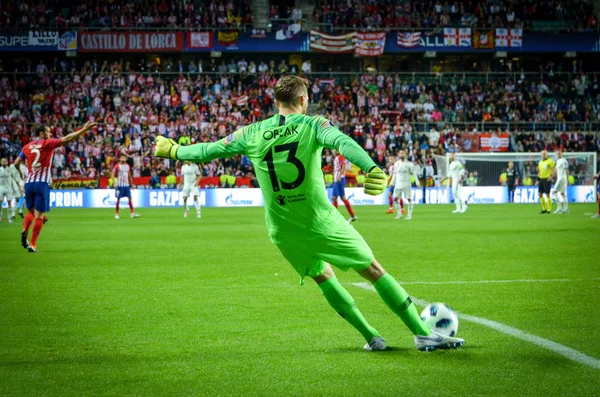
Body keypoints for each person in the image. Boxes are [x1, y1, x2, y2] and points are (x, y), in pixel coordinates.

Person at [155, 75, 464, 352]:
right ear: (303, 100)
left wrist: (173, 151)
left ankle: (371, 336)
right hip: (320, 222)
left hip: (283, 231)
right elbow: (342, 142)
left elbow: (208, 150)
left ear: (276, 103)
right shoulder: (313, 124)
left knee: (322, 277)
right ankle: (423, 333)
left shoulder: (251, 133)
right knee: (372, 269)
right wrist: (370, 166)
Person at [12, 122, 97, 252]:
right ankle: (33, 245)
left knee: (31, 212)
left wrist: (22, 173)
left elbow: (16, 163)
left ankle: (24, 230)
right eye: (48, 132)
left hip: (29, 183)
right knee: (40, 215)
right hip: (41, 184)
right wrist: (83, 130)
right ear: (41, 134)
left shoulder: (27, 147)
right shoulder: (47, 143)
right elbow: (68, 138)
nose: (50, 134)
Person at [390, 150, 420, 220]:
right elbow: (394, 174)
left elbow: (414, 174)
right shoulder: (396, 164)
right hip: (398, 184)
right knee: (395, 199)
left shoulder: (409, 164)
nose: (401, 154)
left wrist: (417, 182)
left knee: (409, 199)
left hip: (407, 183)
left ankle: (409, 215)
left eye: (403, 153)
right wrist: (392, 183)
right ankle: (399, 214)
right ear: (398, 154)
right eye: (400, 153)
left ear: (405, 154)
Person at [331, 150, 357, 223]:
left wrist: (339, 176)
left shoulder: (341, 156)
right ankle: (335, 217)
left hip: (339, 179)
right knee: (334, 198)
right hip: (336, 180)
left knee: (343, 198)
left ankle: (353, 215)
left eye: (335, 149)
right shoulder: (337, 157)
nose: (334, 151)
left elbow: (344, 166)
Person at [113, 154, 140, 219]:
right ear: (120, 159)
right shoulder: (117, 166)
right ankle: (116, 214)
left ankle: (132, 213)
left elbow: (129, 176)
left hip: (127, 185)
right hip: (119, 185)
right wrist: (114, 183)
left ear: (126, 159)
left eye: (124, 157)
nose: (122, 158)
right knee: (118, 199)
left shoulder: (127, 166)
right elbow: (113, 175)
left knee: (130, 198)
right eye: (121, 157)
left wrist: (132, 184)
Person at [537, 150, 555, 214]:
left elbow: (553, 168)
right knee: (540, 194)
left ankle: (549, 209)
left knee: (547, 194)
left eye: (544, 154)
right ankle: (544, 209)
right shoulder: (540, 162)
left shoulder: (550, 161)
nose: (543, 155)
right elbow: (539, 172)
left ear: (547, 154)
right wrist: (537, 180)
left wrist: (551, 176)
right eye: (542, 154)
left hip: (547, 179)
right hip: (541, 179)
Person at [0, 158, 15, 223]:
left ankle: (9, 218)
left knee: (9, 203)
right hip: (1, 188)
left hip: (9, 188)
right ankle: (0, 215)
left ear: (7, 162)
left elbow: (14, 178)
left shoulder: (10, 169)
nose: (4, 162)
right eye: (3, 161)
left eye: (5, 161)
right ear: (1, 162)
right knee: (0, 201)